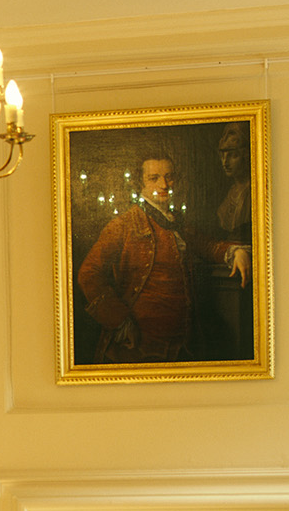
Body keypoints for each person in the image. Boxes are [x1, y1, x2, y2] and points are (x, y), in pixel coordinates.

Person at [76, 155, 252, 365]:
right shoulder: (123, 225)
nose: (164, 184)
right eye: (154, 178)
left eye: (169, 177)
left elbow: (207, 245)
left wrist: (235, 252)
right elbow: (88, 274)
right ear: (140, 183)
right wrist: (120, 320)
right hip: (140, 345)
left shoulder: (176, 221)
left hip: (183, 343)